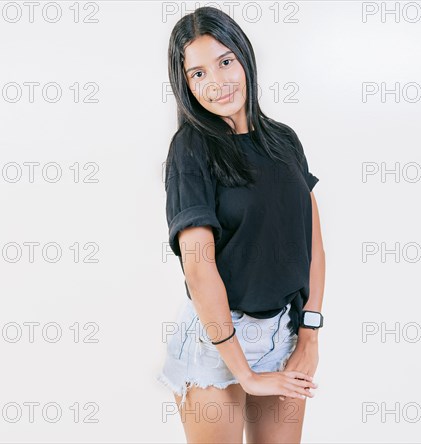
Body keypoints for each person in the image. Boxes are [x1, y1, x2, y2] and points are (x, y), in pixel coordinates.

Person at [157, 6, 326, 443]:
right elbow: (198, 266)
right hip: (216, 338)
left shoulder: (284, 140)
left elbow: (314, 245)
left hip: (283, 333)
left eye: (224, 62)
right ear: (185, 85)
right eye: (197, 74)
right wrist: (244, 373)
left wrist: (309, 335)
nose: (215, 83)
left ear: (244, 57)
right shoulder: (191, 149)